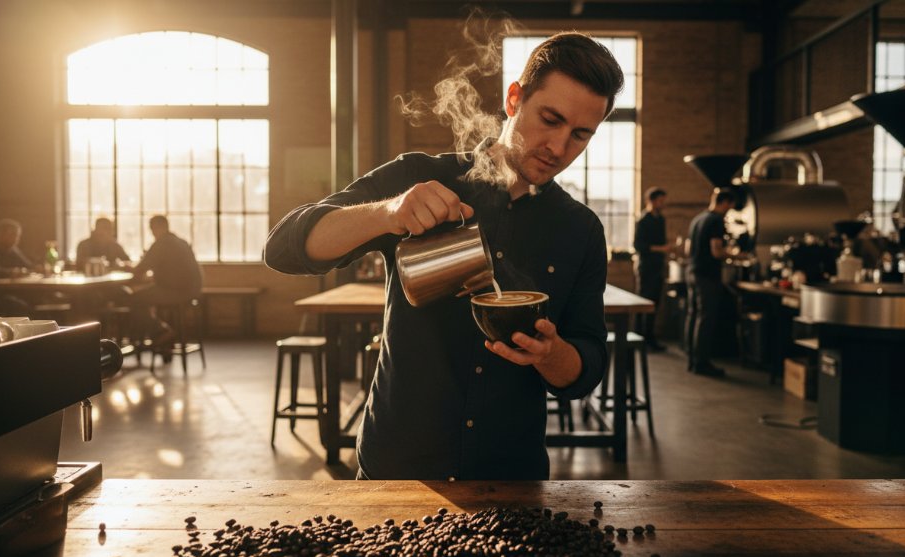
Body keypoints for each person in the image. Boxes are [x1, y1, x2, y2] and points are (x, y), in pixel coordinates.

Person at [265, 32, 623, 480]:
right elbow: (282, 249)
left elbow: (586, 370)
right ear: (514, 99)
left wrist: (551, 354)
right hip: (396, 469)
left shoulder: (581, 229)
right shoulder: (417, 176)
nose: (558, 147)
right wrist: (389, 212)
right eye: (550, 119)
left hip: (510, 480)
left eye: (580, 135)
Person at [684, 187, 742, 378]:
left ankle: (692, 358)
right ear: (725, 203)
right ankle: (702, 363)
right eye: (730, 207)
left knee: (693, 315)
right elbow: (716, 251)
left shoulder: (698, 218)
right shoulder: (716, 221)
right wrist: (735, 255)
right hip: (706, 275)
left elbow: (687, 248)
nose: (729, 211)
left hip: (692, 271)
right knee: (706, 318)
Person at [130, 215, 203, 354]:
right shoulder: (181, 241)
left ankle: (160, 331)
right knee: (147, 294)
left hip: (174, 291)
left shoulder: (161, 244)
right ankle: (160, 336)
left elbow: (140, 269)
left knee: (134, 298)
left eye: (152, 229)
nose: (152, 233)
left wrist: (126, 268)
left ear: (157, 227)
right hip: (192, 291)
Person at [633, 187, 673, 351]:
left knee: (654, 304)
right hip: (646, 268)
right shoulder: (643, 220)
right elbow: (638, 246)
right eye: (660, 200)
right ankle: (639, 339)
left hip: (658, 267)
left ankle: (650, 339)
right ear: (650, 201)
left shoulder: (661, 220)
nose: (662, 203)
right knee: (644, 303)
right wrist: (661, 249)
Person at [0, 219, 35, 315]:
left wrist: (37, 268)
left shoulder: (12, 250)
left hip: (7, 292)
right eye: (13, 235)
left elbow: (28, 266)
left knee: (37, 301)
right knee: (22, 307)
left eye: (17, 236)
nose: (16, 239)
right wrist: (13, 272)